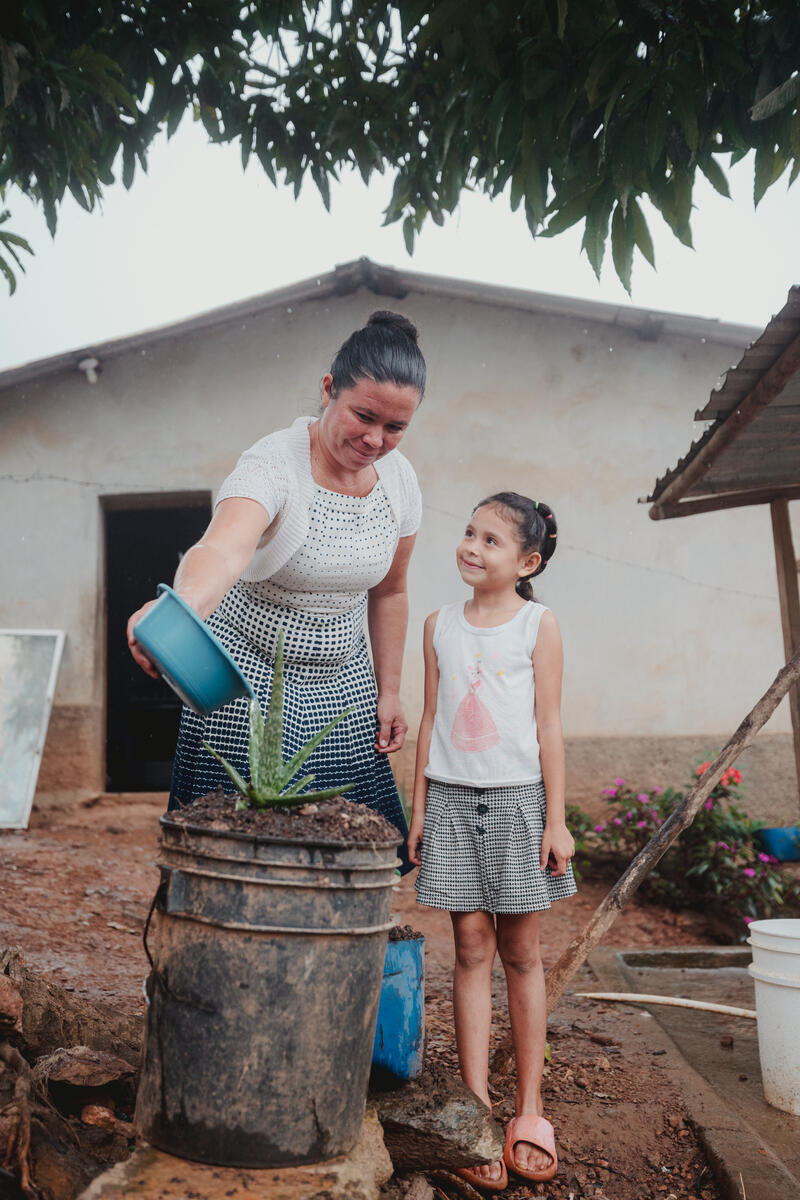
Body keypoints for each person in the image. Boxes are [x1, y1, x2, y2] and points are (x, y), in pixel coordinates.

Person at [127, 310, 425, 872]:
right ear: (328, 389)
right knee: (235, 852)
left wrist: (389, 690)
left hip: (345, 681)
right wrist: (180, 609)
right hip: (247, 680)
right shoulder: (271, 465)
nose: (374, 439)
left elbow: (390, 591)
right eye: (363, 416)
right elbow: (222, 550)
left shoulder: (401, 481)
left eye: (395, 428)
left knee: (349, 858)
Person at [408, 492, 576, 1189]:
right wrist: (418, 809)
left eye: (493, 541)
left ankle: (529, 1107)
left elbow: (549, 728)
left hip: (518, 803)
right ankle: (475, 1109)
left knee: (522, 953)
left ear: (527, 561)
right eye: (469, 533)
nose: (472, 547)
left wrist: (556, 818)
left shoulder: (539, 625)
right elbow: (428, 721)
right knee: (470, 949)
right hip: (450, 798)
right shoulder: (438, 624)